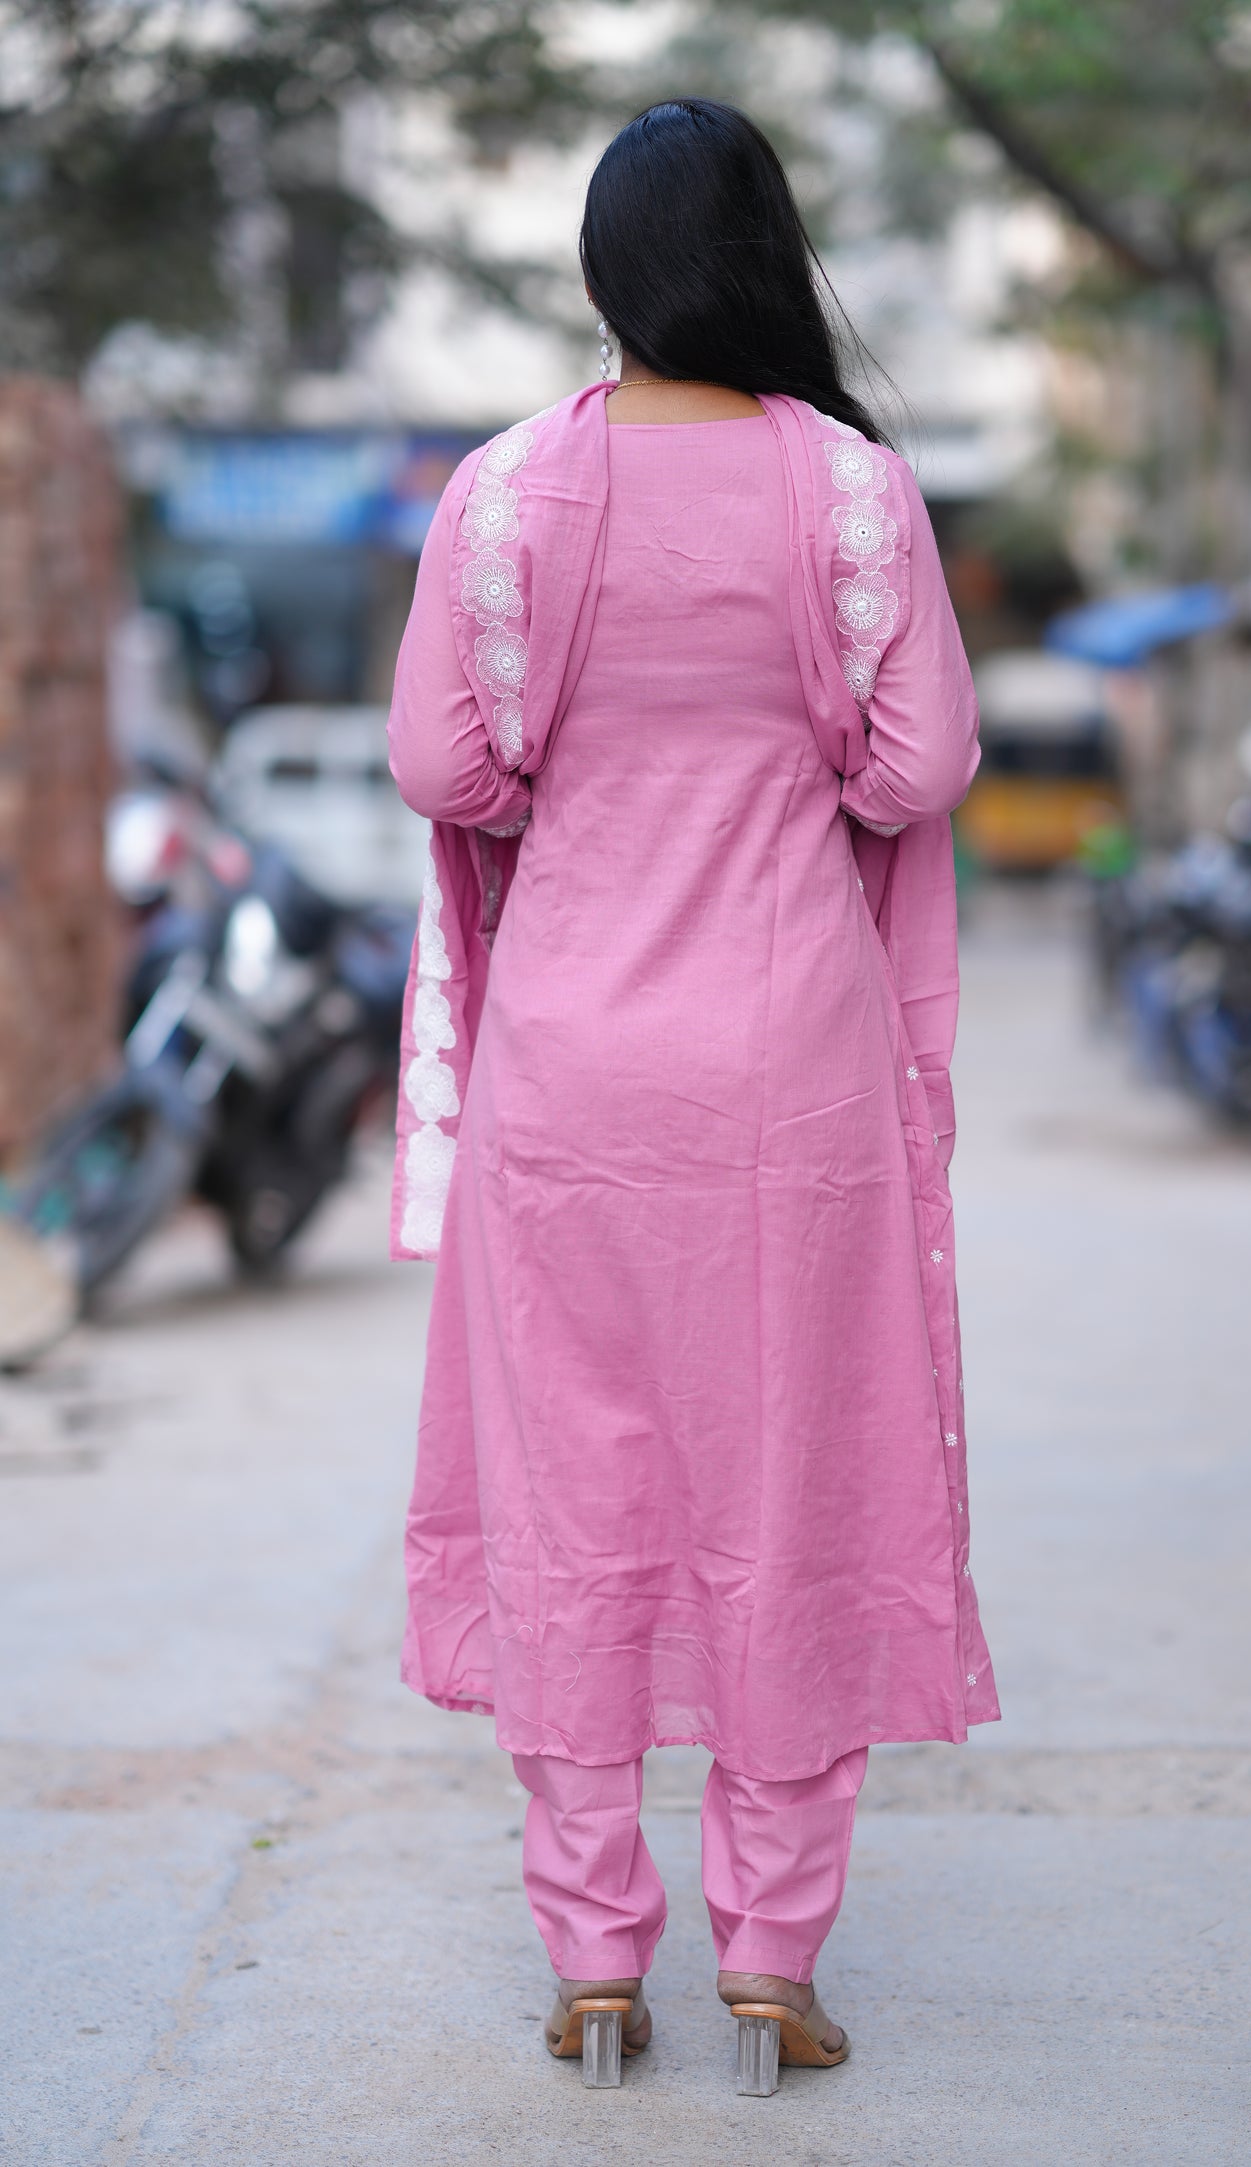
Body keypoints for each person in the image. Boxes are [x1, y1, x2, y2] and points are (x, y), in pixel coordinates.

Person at [387, 96, 998, 2093]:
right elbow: (917, 770)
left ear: (604, 269)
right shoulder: (851, 493)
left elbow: (445, 773)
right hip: (786, 1071)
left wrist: (578, 789)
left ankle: (592, 1965)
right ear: (767, 261)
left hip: (568, 1066)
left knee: (572, 1494)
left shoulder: (501, 495)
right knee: (792, 1483)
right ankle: (770, 1963)